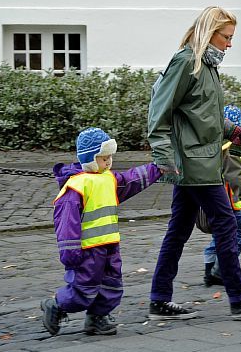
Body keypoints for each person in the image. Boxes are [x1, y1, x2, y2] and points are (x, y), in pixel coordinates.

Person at [147, 5, 241, 320]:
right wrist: (164, 157)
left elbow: (207, 118)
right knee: (226, 222)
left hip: (200, 160)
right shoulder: (185, 63)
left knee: (178, 230)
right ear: (210, 32)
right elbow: (158, 111)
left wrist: (236, 132)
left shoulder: (206, 66)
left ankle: (160, 299)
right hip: (194, 164)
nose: (230, 44)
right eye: (226, 37)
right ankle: (239, 297)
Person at [40, 127, 164, 336]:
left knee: (112, 285)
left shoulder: (108, 178)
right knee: (83, 288)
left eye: (109, 158)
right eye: (103, 158)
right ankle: (57, 305)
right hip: (87, 250)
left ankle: (98, 317)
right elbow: (66, 224)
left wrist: (158, 168)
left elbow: (132, 180)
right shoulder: (76, 186)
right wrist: (70, 252)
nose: (108, 162)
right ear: (90, 158)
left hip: (109, 246)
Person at [203, 104, 241, 287]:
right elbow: (234, 174)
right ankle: (219, 271)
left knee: (219, 234)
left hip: (214, 199)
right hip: (226, 201)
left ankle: (209, 270)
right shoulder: (230, 147)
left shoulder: (215, 145)